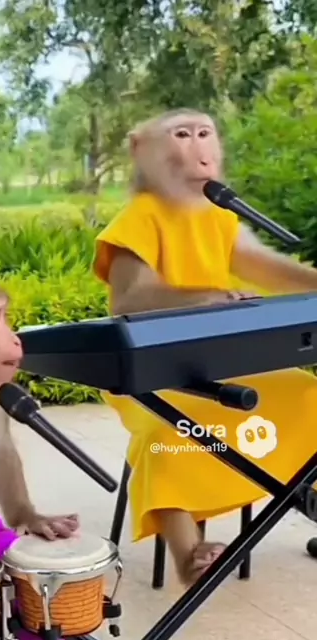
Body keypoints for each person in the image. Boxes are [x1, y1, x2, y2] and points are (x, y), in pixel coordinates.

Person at [93, 107, 317, 585]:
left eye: (204, 132)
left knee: (306, 393)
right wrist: (200, 297)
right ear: (142, 151)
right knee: (173, 431)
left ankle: (306, 498)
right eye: (182, 134)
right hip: (152, 369)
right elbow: (128, 300)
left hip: (220, 360)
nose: (198, 146)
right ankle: (189, 552)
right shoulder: (141, 217)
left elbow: (268, 269)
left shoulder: (218, 217)